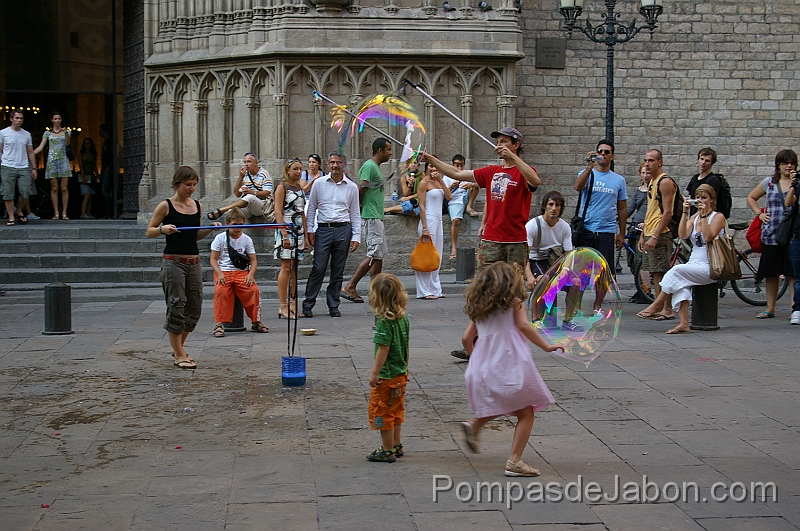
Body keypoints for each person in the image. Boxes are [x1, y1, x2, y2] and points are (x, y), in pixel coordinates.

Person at [422, 126, 541, 360]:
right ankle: (475, 344)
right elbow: (457, 175)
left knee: (513, 295)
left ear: (516, 144)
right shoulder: (491, 172)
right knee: (484, 291)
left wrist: (514, 159)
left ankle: (511, 344)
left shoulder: (523, 172)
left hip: (515, 242)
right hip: (491, 241)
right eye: (499, 142)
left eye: (505, 141)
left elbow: (535, 180)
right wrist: (432, 158)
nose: (500, 146)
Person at [459, 262, 564, 476]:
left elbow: (466, 339)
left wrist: (474, 360)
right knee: (526, 412)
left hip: (483, 369)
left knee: (506, 403)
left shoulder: (480, 309)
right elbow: (524, 326)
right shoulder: (514, 303)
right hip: (508, 366)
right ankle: (514, 461)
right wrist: (546, 346)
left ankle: (475, 425)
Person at [146, 166, 219, 369]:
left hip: (193, 262)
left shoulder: (197, 205)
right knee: (176, 305)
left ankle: (178, 347)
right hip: (173, 262)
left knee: (194, 308)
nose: (192, 188)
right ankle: (180, 354)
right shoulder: (165, 205)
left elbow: (194, 235)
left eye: (195, 184)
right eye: (188, 184)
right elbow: (149, 231)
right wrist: (163, 229)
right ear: (177, 183)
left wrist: (209, 229)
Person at [637, 185, 727, 334]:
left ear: (712, 200)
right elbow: (683, 234)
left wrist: (704, 216)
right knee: (680, 283)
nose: (700, 201)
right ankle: (684, 324)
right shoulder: (694, 217)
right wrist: (685, 212)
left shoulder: (717, 217)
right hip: (694, 263)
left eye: (704, 198)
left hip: (711, 265)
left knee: (676, 270)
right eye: (697, 198)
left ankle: (658, 304)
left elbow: (707, 237)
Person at [301, 152, 361, 318]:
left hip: (343, 229)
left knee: (338, 270)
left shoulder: (351, 187)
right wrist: (311, 230)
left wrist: (356, 236)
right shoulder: (319, 184)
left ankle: (333, 304)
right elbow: (311, 207)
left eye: (338, 162)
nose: (335, 165)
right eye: (332, 162)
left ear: (343, 164)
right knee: (318, 267)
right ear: (328, 164)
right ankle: (308, 303)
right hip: (323, 229)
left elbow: (355, 212)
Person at [746, 149, 797, 320]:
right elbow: (751, 197)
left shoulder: (797, 183)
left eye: (792, 163)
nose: (788, 166)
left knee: (792, 273)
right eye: (785, 163)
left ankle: (794, 308)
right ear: (778, 165)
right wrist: (759, 214)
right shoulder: (769, 182)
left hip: (792, 234)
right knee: (771, 273)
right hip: (772, 232)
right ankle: (770, 307)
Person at [366, 273, 410, 463]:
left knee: (382, 412)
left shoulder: (384, 322)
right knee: (396, 411)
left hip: (387, 377)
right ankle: (396, 444)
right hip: (400, 374)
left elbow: (383, 349)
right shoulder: (403, 318)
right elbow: (405, 345)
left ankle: (387, 450)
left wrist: (375, 373)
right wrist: (405, 367)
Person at [342, 138, 392, 303]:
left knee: (378, 255)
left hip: (376, 215)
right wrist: (356, 210)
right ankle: (350, 286)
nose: (390, 153)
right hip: (370, 216)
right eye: (388, 150)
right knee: (373, 254)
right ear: (380, 151)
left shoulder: (375, 167)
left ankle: (375, 292)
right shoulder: (369, 166)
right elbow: (360, 189)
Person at [524, 191, 581, 329]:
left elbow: (568, 254)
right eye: (551, 204)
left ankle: (568, 320)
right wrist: (530, 276)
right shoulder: (533, 225)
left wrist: (566, 271)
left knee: (576, 283)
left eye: (558, 205)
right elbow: (524, 255)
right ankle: (536, 319)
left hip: (556, 260)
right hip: (536, 260)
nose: (554, 208)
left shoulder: (564, 226)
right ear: (545, 206)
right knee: (543, 280)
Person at [209, 208, 267, 337]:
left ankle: (256, 321)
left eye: (241, 225)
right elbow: (213, 259)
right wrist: (219, 273)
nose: (238, 228)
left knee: (253, 291)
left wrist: (250, 274)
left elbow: (253, 260)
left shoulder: (246, 239)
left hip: (241, 272)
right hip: (223, 271)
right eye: (235, 225)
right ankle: (219, 323)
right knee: (220, 292)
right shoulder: (220, 238)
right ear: (228, 223)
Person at [573, 139, 628, 273]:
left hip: (606, 231)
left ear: (612, 156)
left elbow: (622, 208)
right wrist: (589, 166)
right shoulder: (586, 173)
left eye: (606, 152)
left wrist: (621, 233)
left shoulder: (619, 180)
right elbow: (577, 187)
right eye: (600, 151)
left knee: (604, 274)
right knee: (580, 274)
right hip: (586, 229)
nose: (603, 154)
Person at [638, 149, 679, 320]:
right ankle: (664, 307)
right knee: (656, 272)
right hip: (651, 230)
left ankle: (665, 307)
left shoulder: (665, 181)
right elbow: (651, 211)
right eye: (646, 160)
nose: (647, 163)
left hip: (661, 232)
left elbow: (667, 212)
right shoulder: (653, 182)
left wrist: (655, 235)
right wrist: (643, 234)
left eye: (651, 160)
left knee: (662, 271)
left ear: (660, 162)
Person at [274, 158, 307, 319]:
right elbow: (278, 211)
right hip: (286, 229)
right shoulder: (282, 187)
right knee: (286, 267)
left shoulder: (300, 187)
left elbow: (302, 212)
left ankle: (293, 303)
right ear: (288, 170)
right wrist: (284, 233)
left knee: (295, 268)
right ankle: (283, 305)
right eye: (295, 168)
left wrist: (306, 235)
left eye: (300, 168)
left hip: (299, 230)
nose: (298, 171)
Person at [415, 162, 452, 299]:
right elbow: (422, 206)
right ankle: (424, 290)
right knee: (425, 255)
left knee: (437, 255)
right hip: (428, 220)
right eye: (430, 166)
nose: (433, 169)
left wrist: (441, 181)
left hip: (438, 220)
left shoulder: (439, 182)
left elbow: (449, 197)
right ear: (426, 168)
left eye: (435, 166)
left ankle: (435, 288)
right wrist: (425, 227)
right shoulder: (424, 182)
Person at [207, 153, 274, 221]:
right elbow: (237, 194)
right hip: (249, 206)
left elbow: (267, 192)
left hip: (262, 205)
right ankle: (234, 229)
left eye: (249, 161)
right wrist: (240, 177)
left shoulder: (264, 174)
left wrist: (252, 192)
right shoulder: (245, 174)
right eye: (245, 162)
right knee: (232, 212)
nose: (246, 164)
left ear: (256, 163)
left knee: (250, 197)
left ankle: (222, 210)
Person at [0, 110, 37, 226]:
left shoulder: (26, 134)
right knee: (7, 192)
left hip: (23, 165)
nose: (19, 120)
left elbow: (30, 152)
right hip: (7, 165)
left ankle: (19, 209)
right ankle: (11, 216)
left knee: (26, 190)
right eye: (17, 118)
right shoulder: (3, 133)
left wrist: (34, 168)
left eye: (21, 118)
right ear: (11, 119)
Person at [33, 111, 71, 220]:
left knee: (64, 188)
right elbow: (41, 147)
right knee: (54, 188)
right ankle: (56, 212)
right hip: (52, 161)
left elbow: (68, 143)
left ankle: (64, 212)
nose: (57, 121)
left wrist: (67, 133)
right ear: (52, 120)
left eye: (59, 118)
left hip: (63, 160)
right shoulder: (47, 133)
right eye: (55, 119)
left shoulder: (66, 132)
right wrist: (30, 154)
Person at [443, 154, 474, 259]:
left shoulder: (467, 174)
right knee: (455, 220)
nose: (459, 168)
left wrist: (471, 185)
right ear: (452, 165)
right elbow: (444, 194)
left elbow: (480, 184)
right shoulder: (447, 177)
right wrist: (452, 186)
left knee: (475, 185)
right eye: (457, 165)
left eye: (461, 165)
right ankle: (454, 247)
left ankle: (469, 207)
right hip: (454, 201)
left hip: (466, 199)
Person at [685, 147, 723, 217]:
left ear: (711, 163)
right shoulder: (695, 178)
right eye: (701, 159)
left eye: (707, 160)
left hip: (706, 217)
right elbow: (690, 196)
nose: (703, 162)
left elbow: (711, 204)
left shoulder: (713, 180)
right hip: (694, 216)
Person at [783, 170, 800, 325]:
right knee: (798, 277)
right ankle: (797, 310)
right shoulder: (798, 185)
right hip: (797, 237)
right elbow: (788, 202)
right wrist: (794, 184)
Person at [79, 137, 98, 219]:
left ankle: (88, 213)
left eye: (88, 143)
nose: (87, 145)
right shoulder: (81, 154)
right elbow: (81, 166)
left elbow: (95, 166)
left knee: (91, 195)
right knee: (86, 195)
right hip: (83, 176)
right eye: (85, 143)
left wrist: (97, 174)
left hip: (91, 176)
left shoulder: (93, 154)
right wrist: (83, 177)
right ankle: (83, 213)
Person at [99, 124, 114, 218]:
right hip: (105, 170)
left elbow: (114, 154)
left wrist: (109, 166)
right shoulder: (106, 142)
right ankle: (109, 212)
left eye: (100, 130)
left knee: (106, 191)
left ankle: (111, 212)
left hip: (109, 170)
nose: (99, 132)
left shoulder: (110, 142)